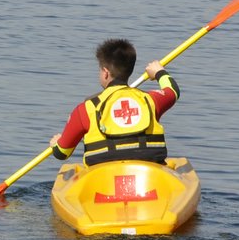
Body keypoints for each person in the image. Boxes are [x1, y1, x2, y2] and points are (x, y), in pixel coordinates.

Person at [49, 38, 178, 167]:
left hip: (102, 178)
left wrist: (56, 144)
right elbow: (173, 91)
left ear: (105, 73)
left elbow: (62, 153)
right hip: (148, 175)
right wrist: (159, 72)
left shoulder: (86, 109)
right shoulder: (150, 100)